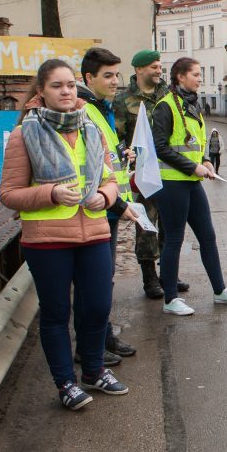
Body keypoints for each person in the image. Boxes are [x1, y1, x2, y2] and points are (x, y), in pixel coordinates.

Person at [0, 59, 128, 411]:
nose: (67, 91)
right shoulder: (24, 133)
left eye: (70, 85)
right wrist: (50, 194)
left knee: (98, 306)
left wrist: (106, 197)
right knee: (56, 313)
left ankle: (93, 370)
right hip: (47, 240)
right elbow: (9, 194)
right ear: (41, 91)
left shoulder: (90, 127)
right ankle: (65, 383)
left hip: (94, 232)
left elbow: (110, 178)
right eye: (57, 86)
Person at [151, 57, 227, 315]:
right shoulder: (165, 106)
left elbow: (199, 141)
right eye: (195, 74)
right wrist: (193, 167)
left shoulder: (192, 104)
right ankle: (170, 299)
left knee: (208, 237)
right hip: (171, 184)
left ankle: (220, 291)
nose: (199, 78)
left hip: (192, 182)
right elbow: (159, 147)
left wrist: (205, 160)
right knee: (173, 239)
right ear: (180, 77)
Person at [78, 47, 139, 363]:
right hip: (98, 209)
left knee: (105, 278)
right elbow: (88, 170)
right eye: (108, 76)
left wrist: (123, 152)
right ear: (89, 78)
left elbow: (105, 158)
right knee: (95, 282)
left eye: (117, 75)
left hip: (109, 207)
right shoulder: (86, 111)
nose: (116, 81)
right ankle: (91, 347)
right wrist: (116, 206)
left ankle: (104, 337)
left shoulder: (103, 108)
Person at [115, 49, 190, 300]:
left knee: (171, 226)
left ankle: (168, 274)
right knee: (147, 227)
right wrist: (125, 152)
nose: (159, 71)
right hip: (143, 173)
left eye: (160, 67)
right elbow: (117, 137)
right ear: (139, 70)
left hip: (168, 170)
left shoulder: (168, 95)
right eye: (154, 67)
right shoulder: (124, 100)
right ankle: (149, 279)